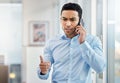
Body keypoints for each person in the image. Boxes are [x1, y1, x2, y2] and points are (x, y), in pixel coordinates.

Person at [37, 2, 106, 83]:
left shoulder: (93, 41)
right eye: (64, 19)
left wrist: (83, 43)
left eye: (72, 19)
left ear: (80, 21)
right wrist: (43, 71)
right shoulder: (52, 42)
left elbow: (100, 68)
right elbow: (44, 74)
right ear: (60, 20)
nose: (68, 24)